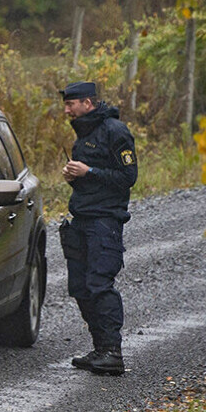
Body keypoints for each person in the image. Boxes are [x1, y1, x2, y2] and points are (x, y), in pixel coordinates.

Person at [58, 81, 137, 375]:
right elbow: (91, 177)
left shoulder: (116, 132)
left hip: (105, 221)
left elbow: (128, 176)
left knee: (100, 284)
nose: (67, 110)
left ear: (87, 104)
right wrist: (74, 176)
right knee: (80, 287)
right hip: (82, 220)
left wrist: (89, 171)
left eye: (71, 105)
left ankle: (112, 352)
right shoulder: (85, 133)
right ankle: (99, 348)